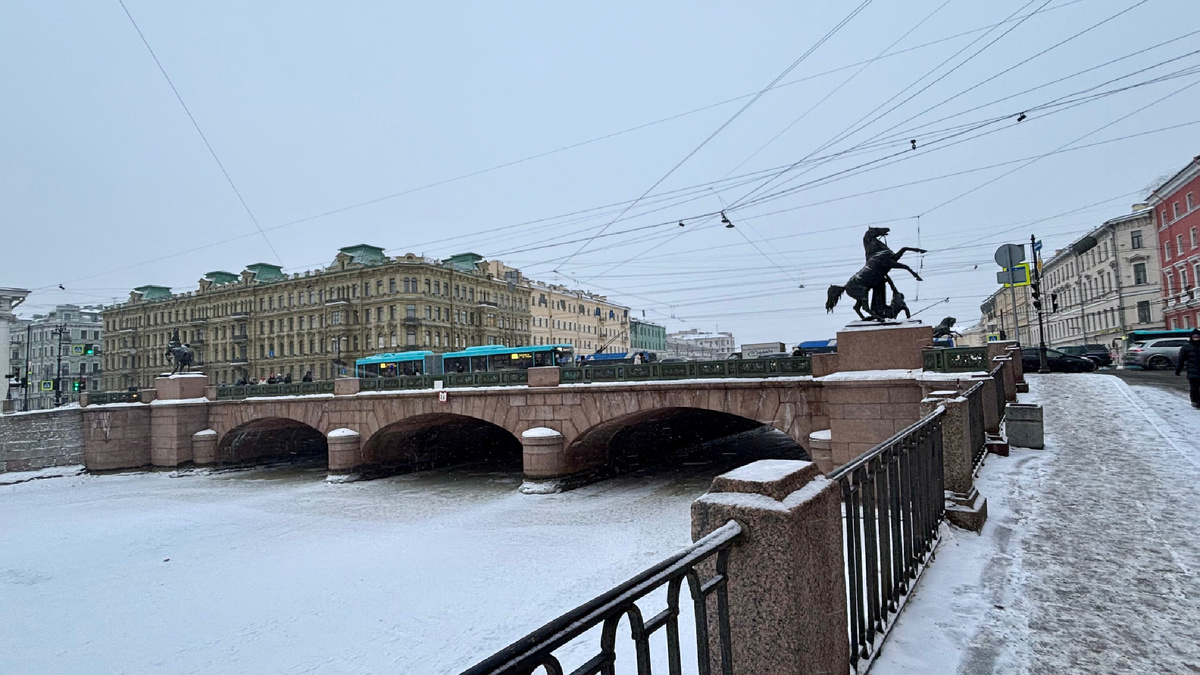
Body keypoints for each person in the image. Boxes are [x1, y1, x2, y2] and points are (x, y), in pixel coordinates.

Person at [1175, 328, 1200, 408]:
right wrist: (1178, 369)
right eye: (1194, 337)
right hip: (1192, 372)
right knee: (1194, 388)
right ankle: (1195, 401)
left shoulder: (1187, 347)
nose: (1196, 338)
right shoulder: (1186, 347)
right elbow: (1181, 359)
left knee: (1195, 387)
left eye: (1198, 337)